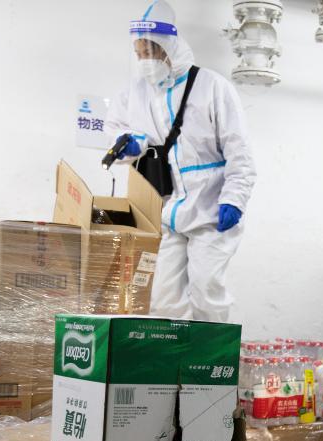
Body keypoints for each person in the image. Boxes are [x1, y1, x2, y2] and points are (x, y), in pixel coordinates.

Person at [107, 1, 255, 322]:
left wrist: (234, 198)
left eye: (150, 50)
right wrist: (131, 143)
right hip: (166, 208)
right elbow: (116, 129)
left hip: (211, 208)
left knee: (206, 292)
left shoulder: (212, 87)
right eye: (138, 53)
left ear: (168, 46)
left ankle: (210, 353)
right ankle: (177, 353)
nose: (144, 60)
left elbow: (239, 151)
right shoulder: (136, 92)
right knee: (163, 298)